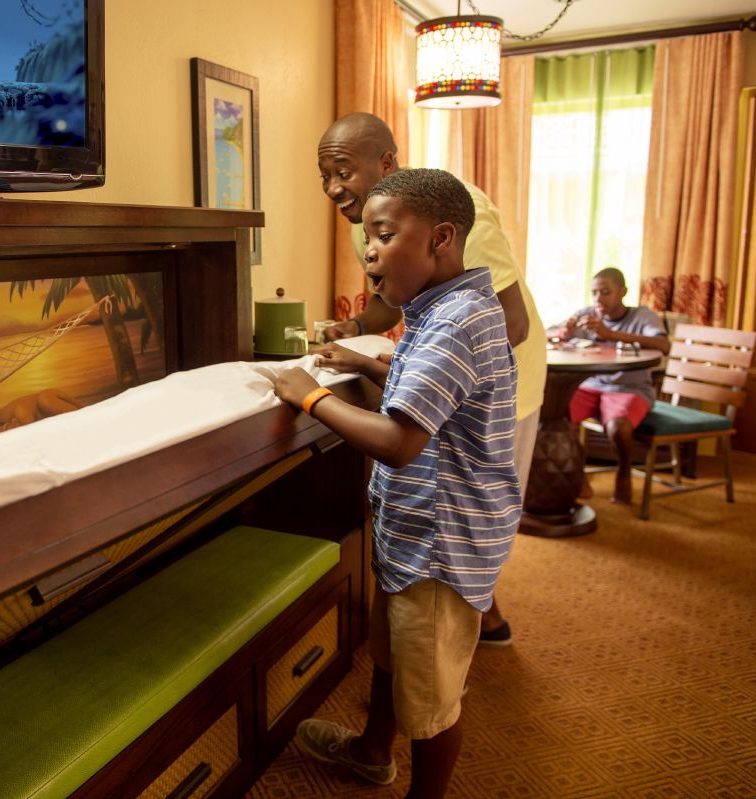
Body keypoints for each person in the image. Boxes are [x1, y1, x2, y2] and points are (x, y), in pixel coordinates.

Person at [273, 168, 521, 799]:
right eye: (366, 237)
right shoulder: (444, 308)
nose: (368, 249)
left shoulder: (457, 321)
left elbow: (401, 441)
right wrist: (367, 362)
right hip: (416, 538)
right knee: (391, 656)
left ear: (441, 238)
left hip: (440, 549)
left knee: (432, 706)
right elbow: (431, 401)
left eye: (383, 234)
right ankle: (370, 752)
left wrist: (312, 398)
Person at [317, 111, 545, 645]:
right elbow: (388, 302)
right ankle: (452, 623)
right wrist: (353, 329)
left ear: (386, 163)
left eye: (343, 172)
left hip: (498, 387)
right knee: (436, 509)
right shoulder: (369, 224)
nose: (333, 188)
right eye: (324, 177)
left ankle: (475, 619)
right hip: (440, 372)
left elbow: (509, 323)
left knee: (468, 512)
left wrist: (429, 376)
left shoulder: (452, 211)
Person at [558, 267, 670, 503]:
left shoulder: (642, 316)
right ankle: (578, 474)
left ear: (622, 291)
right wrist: (565, 333)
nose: (599, 298)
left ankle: (624, 471)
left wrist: (611, 334)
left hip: (630, 388)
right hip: (591, 385)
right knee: (557, 416)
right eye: (595, 293)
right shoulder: (588, 314)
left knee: (618, 428)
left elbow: (663, 345)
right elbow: (551, 334)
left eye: (605, 292)